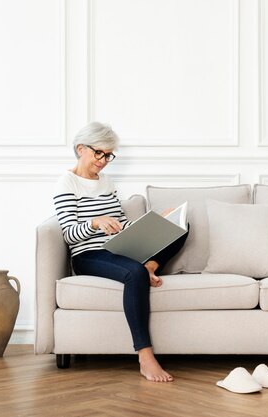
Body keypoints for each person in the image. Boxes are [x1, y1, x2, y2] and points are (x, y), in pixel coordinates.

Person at [52, 122, 187, 382]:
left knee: (181, 226)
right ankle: (145, 357)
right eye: (98, 153)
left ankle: (151, 265)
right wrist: (94, 222)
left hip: (119, 248)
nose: (103, 161)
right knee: (133, 272)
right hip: (89, 255)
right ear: (81, 149)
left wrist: (154, 222)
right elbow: (69, 233)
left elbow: (120, 223)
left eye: (108, 155)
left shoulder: (107, 181)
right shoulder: (66, 182)